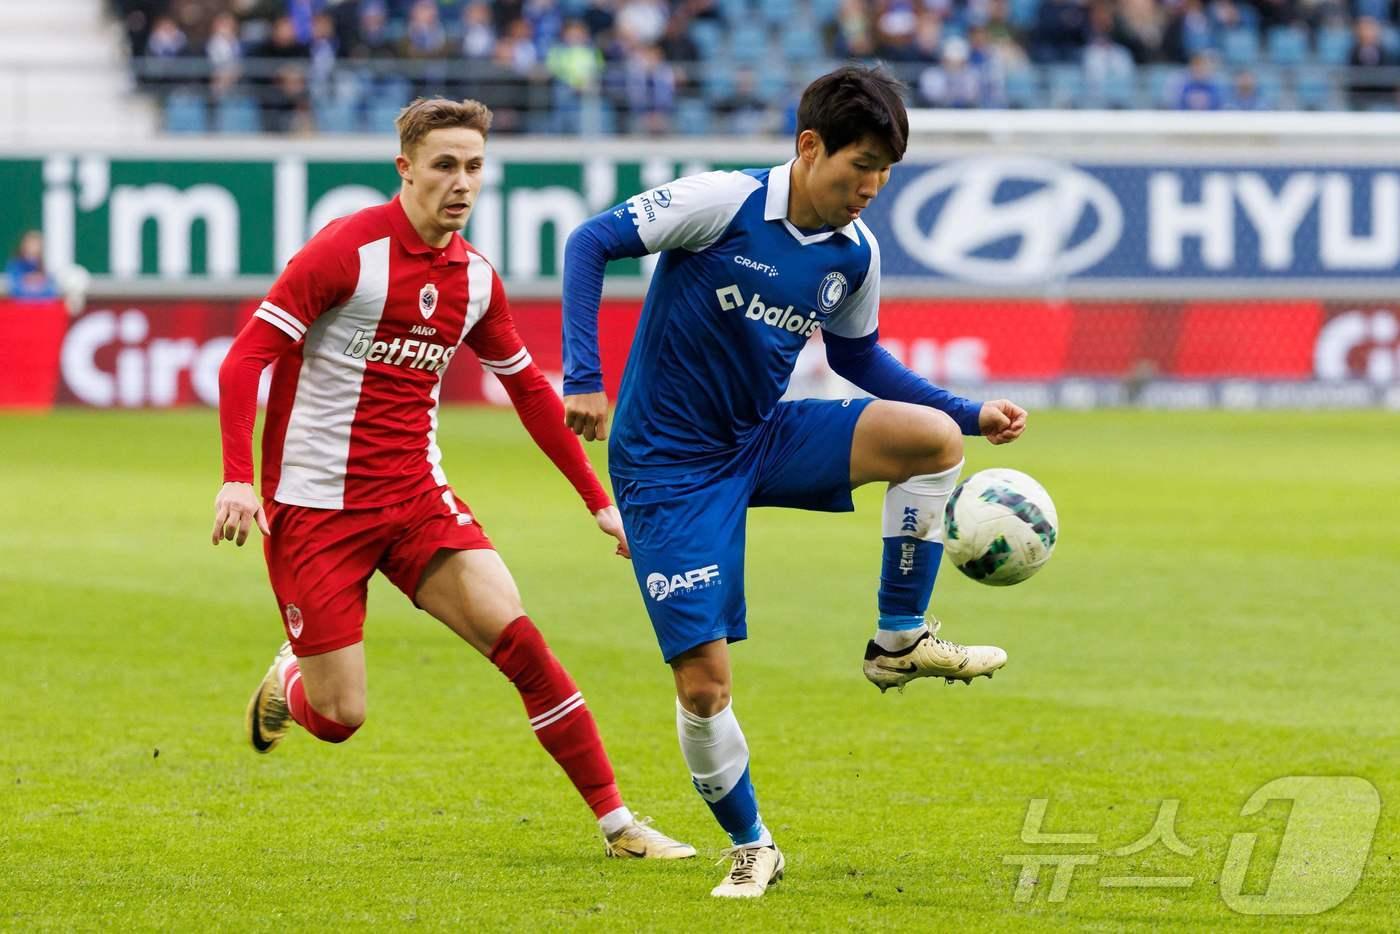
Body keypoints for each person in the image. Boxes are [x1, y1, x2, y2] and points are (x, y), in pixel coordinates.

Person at [559, 65, 1026, 897]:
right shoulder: (723, 203)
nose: (871, 187)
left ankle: (899, 640)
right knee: (704, 686)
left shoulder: (854, 253)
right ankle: (753, 843)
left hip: (759, 437)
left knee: (929, 441)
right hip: (667, 464)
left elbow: (855, 357)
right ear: (809, 147)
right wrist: (584, 376)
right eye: (860, 166)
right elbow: (589, 241)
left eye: (885, 171)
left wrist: (966, 411)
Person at [212, 97, 693, 861]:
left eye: (473, 166)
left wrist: (599, 502)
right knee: (339, 718)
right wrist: (239, 478)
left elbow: (530, 391)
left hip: (416, 502)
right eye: (444, 165)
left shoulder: (474, 278)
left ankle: (618, 825)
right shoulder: (345, 252)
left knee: (521, 641)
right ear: (405, 169)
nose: (461, 182)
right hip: (315, 509)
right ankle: (289, 685)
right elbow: (245, 359)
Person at [6, 230, 59, 299]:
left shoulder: (44, 267)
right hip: (19, 308)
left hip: (42, 308)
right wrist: (33, 283)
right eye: (30, 244)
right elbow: (14, 290)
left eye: (36, 244)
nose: (33, 248)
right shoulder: (14, 266)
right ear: (24, 245)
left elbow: (52, 291)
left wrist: (34, 283)